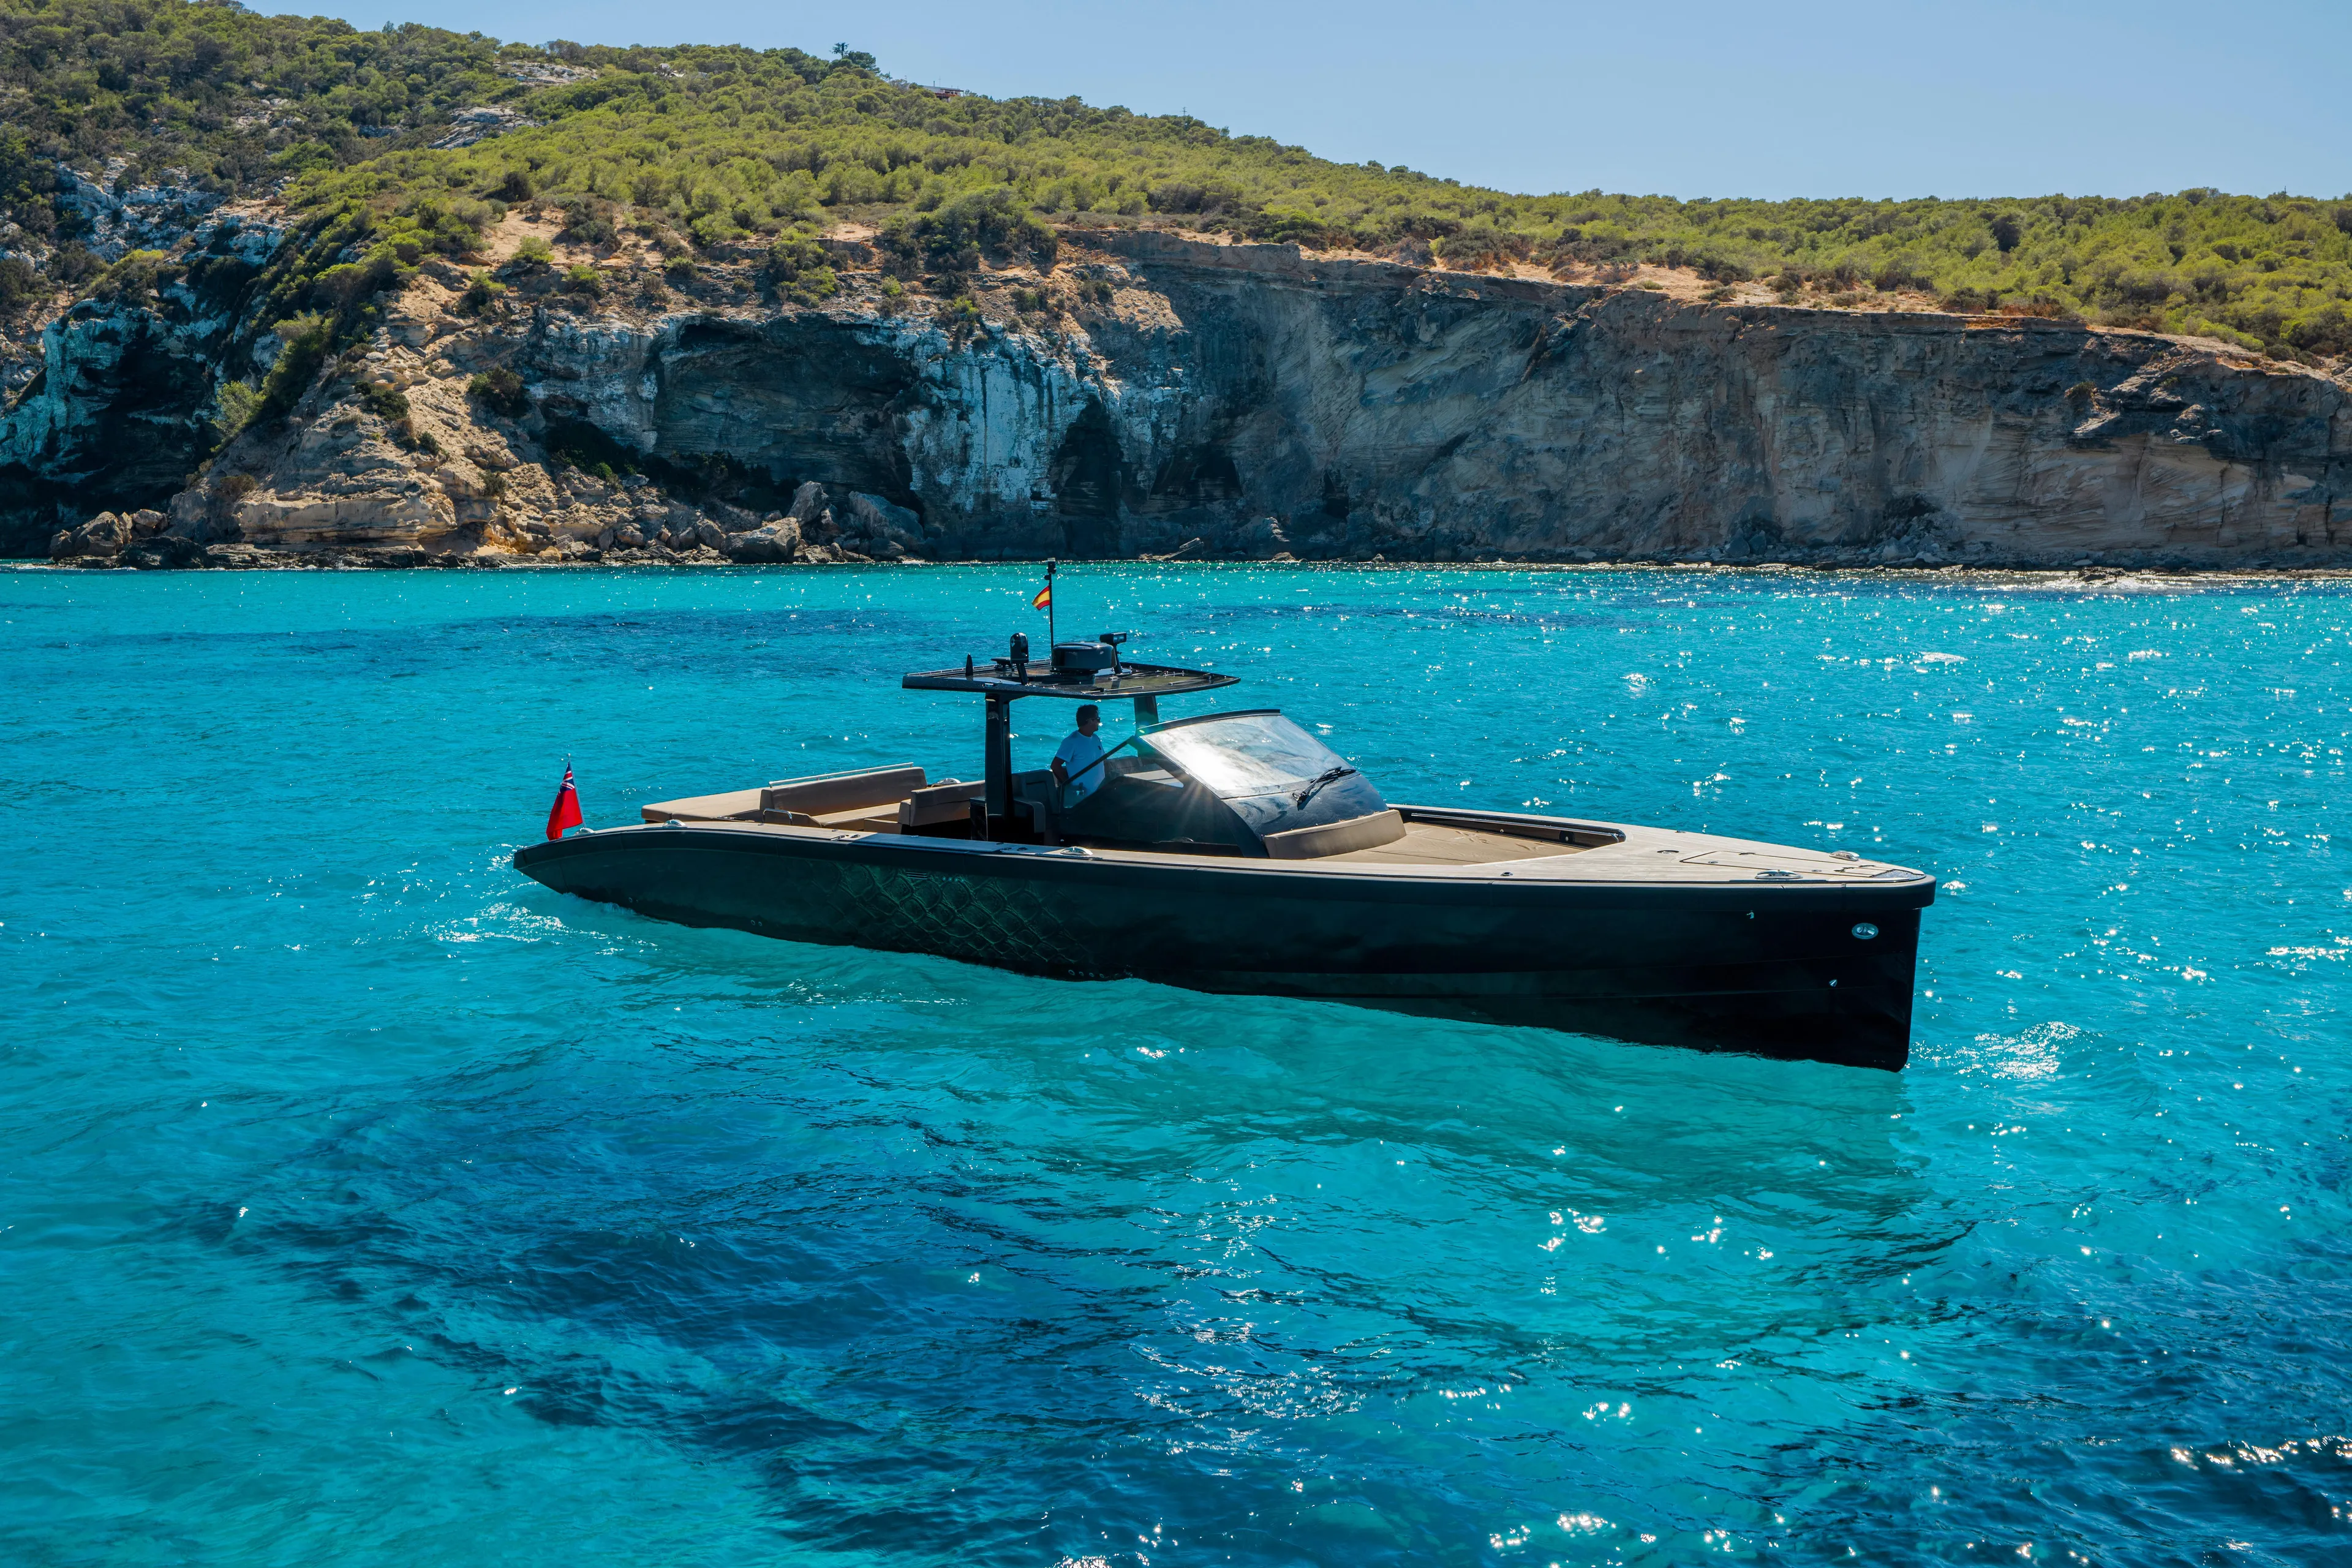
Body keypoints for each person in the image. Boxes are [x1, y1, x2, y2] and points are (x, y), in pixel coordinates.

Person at [1050, 704, 1107, 805]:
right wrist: (1069, 786)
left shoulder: (1096, 739)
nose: (1099, 722)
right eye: (1098, 719)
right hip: (1083, 800)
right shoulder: (1071, 741)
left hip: (1100, 795)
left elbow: (1103, 762)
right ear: (1090, 721)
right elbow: (1055, 765)